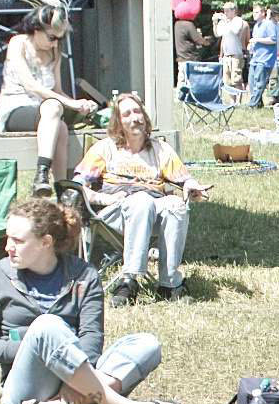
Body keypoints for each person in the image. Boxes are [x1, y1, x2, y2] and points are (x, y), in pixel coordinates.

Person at [0, 195, 176, 404]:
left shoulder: (84, 275)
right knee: (47, 325)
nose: (8, 247)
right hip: (27, 393)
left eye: (18, 240)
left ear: (46, 242)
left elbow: (91, 337)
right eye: (8, 238)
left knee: (147, 344)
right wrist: (40, 349)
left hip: (77, 382)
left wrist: (72, 375)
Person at [76, 90, 208, 302]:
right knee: (141, 201)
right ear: (118, 122)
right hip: (115, 211)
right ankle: (128, 281)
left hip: (152, 210)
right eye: (127, 114)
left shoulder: (160, 149)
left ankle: (170, 284)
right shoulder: (104, 148)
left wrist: (192, 187)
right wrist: (103, 199)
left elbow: (185, 179)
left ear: (145, 117)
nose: (134, 118)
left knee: (175, 204)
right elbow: (77, 185)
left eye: (137, 112)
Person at [0, 0, 89, 192]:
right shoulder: (18, 43)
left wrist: (81, 104)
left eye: (60, 39)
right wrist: (69, 104)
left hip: (48, 114)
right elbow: (31, 86)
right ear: (36, 29)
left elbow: (58, 91)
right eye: (52, 38)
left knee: (61, 127)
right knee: (54, 107)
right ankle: (42, 173)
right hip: (16, 109)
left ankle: (61, 189)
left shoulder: (55, 53)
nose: (55, 44)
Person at [244, 4, 279, 107]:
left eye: (257, 12)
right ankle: (258, 104)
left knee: (259, 83)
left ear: (263, 13)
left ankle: (252, 105)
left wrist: (257, 40)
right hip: (255, 58)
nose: (254, 14)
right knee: (252, 83)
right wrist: (251, 45)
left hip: (265, 59)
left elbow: (273, 40)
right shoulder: (256, 26)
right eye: (253, 12)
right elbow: (255, 40)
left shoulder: (269, 24)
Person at [214, 1, 249, 99]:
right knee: (227, 80)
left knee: (236, 79)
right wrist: (215, 23)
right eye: (224, 11)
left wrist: (225, 21)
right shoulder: (223, 22)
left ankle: (238, 101)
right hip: (226, 55)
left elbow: (235, 31)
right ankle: (232, 101)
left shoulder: (238, 20)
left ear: (234, 11)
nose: (225, 13)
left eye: (227, 10)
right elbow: (217, 34)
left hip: (236, 55)